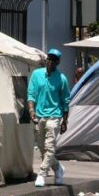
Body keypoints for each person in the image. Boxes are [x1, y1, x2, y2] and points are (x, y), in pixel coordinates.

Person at [27, 48, 70, 187]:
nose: (50, 62)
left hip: (54, 116)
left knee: (49, 146)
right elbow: (31, 94)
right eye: (49, 58)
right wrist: (31, 111)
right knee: (42, 148)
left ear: (58, 62)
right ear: (46, 60)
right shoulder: (36, 74)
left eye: (54, 60)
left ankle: (42, 174)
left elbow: (65, 101)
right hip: (39, 115)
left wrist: (65, 121)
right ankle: (58, 168)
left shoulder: (62, 78)